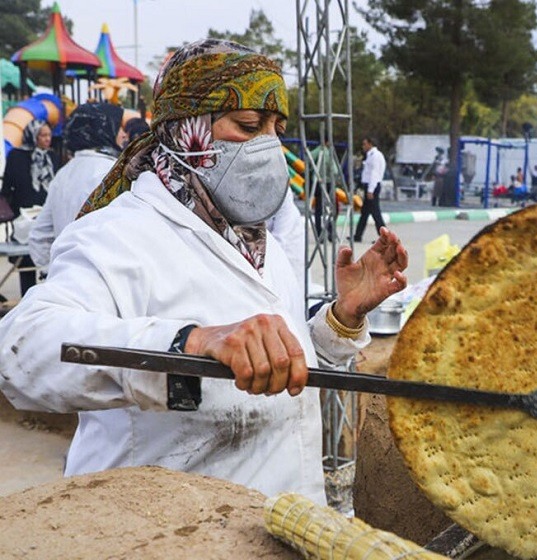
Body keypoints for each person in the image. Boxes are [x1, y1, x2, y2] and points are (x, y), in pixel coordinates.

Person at [0, 39, 408, 505]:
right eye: (249, 125)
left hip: (278, 516)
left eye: (275, 129)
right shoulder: (116, 235)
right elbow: (21, 347)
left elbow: (276, 361)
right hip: (168, 525)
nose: (267, 145)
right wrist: (188, 344)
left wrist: (340, 319)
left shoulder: (261, 243)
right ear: (185, 127)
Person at [28, 103, 126, 271]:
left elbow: (39, 235)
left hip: (68, 277)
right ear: (103, 131)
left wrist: (52, 271)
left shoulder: (63, 174)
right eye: (118, 128)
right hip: (105, 277)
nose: (124, 134)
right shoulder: (113, 174)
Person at [1, 119, 60, 294]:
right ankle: (27, 296)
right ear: (33, 136)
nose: (47, 139)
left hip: (47, 216)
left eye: (49, 135)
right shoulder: (17, 156)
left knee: (52, 260)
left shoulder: (52, 157)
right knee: (26, 263)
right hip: (24, 218)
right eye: (43, 135)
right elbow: (8, 187)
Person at [353, 136, 387, 243]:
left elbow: (374, 174)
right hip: (369, 186)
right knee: (365, 213)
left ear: (370, 144)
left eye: (364, 144)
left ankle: (385, 238)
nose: (363, 146)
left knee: (376, 213)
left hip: (372, 186)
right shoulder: (370, 155)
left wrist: (370, 190)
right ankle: (357, 235)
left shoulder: (375, 156)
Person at [310, 138, 341, 240]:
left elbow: (308, 159)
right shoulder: (326, 152)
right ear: (327, 141)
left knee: (319, 210)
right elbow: (335, 171)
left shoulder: (317, 151)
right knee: (331, 209)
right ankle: (330, 232)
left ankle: (320, 234)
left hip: (319, 183)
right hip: (327, 183)